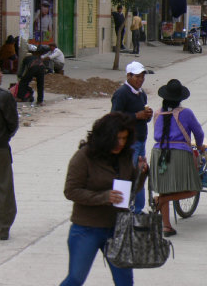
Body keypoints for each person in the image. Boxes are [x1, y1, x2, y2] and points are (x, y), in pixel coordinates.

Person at [61, 112, 149, 285]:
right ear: (105, 137)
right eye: (117, 138)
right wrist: (103, 197)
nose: (120, 143)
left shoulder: (124, 156)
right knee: (75, 278)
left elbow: (130, 191)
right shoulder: (84, 156)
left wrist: (142, 173)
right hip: (87, 228)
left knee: (125, 281)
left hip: (118, 228)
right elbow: (71, 191)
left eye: (124, 138)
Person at [150, 79, 204, 236]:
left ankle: (166, 226)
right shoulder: (186, 113)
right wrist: (200, 146)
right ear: (180, 99)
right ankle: (160, 201)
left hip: (158, 153)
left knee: (164, 190)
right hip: (179, 154)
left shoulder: (157, 113)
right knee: (193, 189)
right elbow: (199, 133)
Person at [111, 61, 153, 214]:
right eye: (137, 77)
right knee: (126, 175)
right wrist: (136, 116)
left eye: (142, 77)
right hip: (129, 143)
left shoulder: (141, 94)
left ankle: (138, 209)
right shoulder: (121, 93)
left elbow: (143, 118)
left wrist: (147, 116)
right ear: (128, 76)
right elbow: (114, 118)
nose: (140, 80)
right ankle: (121, 209)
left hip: (140, 141)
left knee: (140, 175)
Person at [0, 61, 19, 241]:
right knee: (3, 188)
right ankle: (3, 228)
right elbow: (12, 124)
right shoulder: (3, 97)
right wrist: (3, 136)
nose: (1, 74)